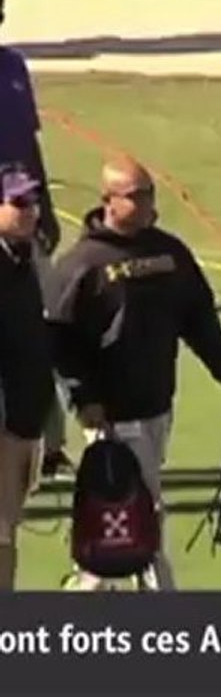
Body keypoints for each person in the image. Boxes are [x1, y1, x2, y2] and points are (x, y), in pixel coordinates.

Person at [50, 156, 221, 590]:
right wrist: (84, 398)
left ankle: (92, 588)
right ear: (109, 200)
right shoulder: (82, 265)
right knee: (137, 511)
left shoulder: (169, 254)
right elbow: (61, 343)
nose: (148, 204)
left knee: (124, 512)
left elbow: (199, 321)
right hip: (110, 414)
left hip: (157, 406)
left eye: (150, 193)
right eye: (137, 196)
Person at [0, 0, 71, 482]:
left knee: (38, 345)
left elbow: (28, 146)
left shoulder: (13, 70)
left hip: (25, 227)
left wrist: (44, 212)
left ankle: (48, 452)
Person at [0, 164, 55, 590]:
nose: (30, 211)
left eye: (33, 202)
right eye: (19, 203)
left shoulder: (27, 259)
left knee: (6, 534)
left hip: (24, 423)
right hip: (4, 424)